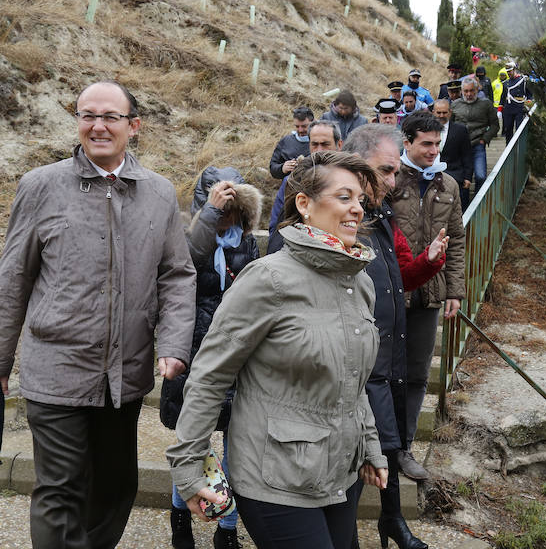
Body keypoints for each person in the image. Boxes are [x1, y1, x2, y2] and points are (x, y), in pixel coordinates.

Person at [0, 80, 196, 548]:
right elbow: (13, 277)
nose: (97, 125)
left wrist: (175, 345)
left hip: (126, 373)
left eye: (110, 117)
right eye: (86, 115)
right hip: (56, 369)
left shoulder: (159, 193)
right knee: (61, 488)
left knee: (116, 488)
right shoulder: (41, 186)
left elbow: (177, 275)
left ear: (133, 126)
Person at [167, 151, 389, 549]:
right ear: (304, 204)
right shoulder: (268, 278)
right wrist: (188, 468)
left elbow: (354, 381)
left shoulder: (360, 282)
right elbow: (209, 375)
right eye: (344, 197)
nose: (357, 208)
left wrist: (370, 445)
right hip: (275, 479)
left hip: (339, 474)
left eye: (359, 199)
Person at [344, 124, 449, 549]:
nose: (393, 180)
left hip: (385, 358)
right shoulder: (334, 218)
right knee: (352, 458)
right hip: (351, 364)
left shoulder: (383, 218)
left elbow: (399, 276)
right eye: (385, 171)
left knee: (387, 447)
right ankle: (346, 532)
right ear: (355, 166)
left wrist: (429, 262)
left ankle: (392, 521)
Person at [161, 168, 263, 549]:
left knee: (237, 449)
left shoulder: (248, 243)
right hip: (192, 350)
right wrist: (209, 214)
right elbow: (185, 262)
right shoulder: (186, 236)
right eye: (219, 210)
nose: (226, 218)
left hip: (236, 352)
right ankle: (181, 519)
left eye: (232, 211)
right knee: (193, 447)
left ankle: (227, 529)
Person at [388, 112, 465, 480]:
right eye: (426, 144)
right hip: (390, 294)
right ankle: (373, 448)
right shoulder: (389, 179)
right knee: (380, 373)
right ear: (408, 142)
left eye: (438, 143)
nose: (434, 150)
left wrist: (455, 290)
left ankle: (403, 449)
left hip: (428, 296)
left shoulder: (448, 184)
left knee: (417, 376)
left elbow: (458, 239)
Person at [267, 120, 343, 254]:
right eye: (314, 144)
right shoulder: (293, 181)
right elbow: (277, 226)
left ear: (339, 145)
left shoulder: (351, 181)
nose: (319, 150)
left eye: (325, 144)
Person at [451, 77, 499, 194]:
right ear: (461, 91)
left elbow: (495, 125)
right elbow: (450, 125)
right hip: (460, 147)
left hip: (478, 144)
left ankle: (478, 202)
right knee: (461, 178)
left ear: (477, 90)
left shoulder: (486, 104)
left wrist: (485, 139)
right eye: (466, 91)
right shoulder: (455, 105)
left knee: (481, 176)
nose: (469, 94)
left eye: (472, 91)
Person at [432, 99, 473, 210]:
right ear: (433, 112)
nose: (441, 115)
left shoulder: (460, 130)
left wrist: (468, 177)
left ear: (450, 112)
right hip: (431, 176)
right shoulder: (426, 130)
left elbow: (467, 154)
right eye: (438, 112)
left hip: (455, 175)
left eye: (444, 112)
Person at [269, 106, 314, 180]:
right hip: (290, 186)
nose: (300, 130)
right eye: (297, 126)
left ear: (313, 123)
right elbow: (273, 168)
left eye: (304, 126)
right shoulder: (286, 141)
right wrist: (282, 168)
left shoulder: (321, 141)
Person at [501, 65, 533, 143]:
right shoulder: (506, 83)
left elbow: (529, 93)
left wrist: (529, 101)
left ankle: (520, 145)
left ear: (514, 70)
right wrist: (500, 109)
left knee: (519, 129)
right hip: (508, 108)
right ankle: (508, 146)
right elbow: (503, 96)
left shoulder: (522, 80)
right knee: (508, 129)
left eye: (510, 71)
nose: (509, 73)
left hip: (519, 107)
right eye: (507, 71)